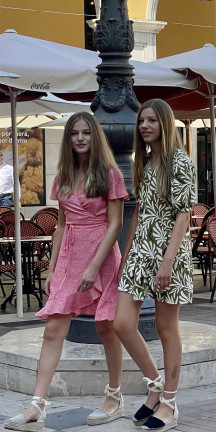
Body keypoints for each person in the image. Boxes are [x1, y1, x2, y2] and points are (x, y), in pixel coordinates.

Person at [3, 112, 128, 432]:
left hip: (101, 253)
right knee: (52, 330)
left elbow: (115, 224)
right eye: (74, 133)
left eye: (87, 132)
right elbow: (61, 225)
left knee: (106, 328)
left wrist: (94, 266)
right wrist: (53, 268)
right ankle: (37, 406)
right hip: (70, 254)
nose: (81, 138)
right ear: (69, 139)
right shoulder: (63, 176)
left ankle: (114, 396)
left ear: (95, 136)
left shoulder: (110, 174)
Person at [115, 99, 195, 432]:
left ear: (165, 123)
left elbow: (183, 213)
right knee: (121, 323)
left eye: (151, 121)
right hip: (140, 251)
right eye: (141, 121)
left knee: (166, 328)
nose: (145, 126)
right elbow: (139, 214)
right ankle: (155, 384)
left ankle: (170, 403)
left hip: (168, 251)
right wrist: (126, 255)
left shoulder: (179, 160)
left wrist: (168, 260)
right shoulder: (145, 162)